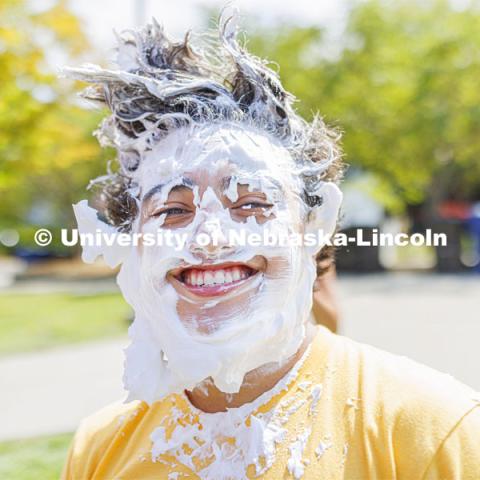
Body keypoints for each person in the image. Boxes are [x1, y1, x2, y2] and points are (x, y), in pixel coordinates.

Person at [62, 15, 480, 480]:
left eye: (251, 203)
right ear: (133, 245)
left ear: (311, 228)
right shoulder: (99, 449)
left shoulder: (430, 428)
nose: (210, 239)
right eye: (173, 211)